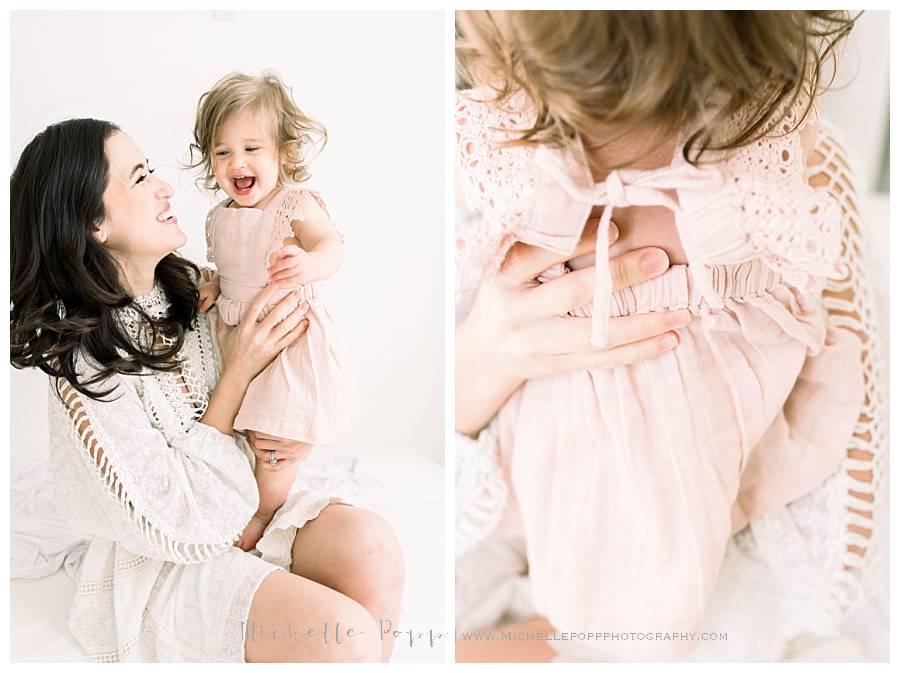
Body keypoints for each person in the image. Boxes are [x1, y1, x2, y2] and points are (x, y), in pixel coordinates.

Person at [455, 10, 884, 662]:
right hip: (516, 547)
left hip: (724, 587)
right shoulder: (489, 158)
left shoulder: (777, 172)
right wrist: (480, 358)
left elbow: (848, 520)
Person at [10, 118, 403, 662]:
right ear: (94, 222)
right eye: (141, 177)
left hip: (248, 508)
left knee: (373, 545)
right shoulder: (85, 362)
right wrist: (238, 370)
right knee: (345, 638)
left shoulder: (199, 289)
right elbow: (167, 517)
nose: (165, 187)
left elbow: (290, 373)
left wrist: (290, 433)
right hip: (164, 557)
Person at [188, 71, 359, 552]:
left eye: (251, 148)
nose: (235, 162)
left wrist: (310, 262)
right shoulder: (219, 215)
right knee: (240, 433)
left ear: (283, 153)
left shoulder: (294, 204)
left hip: (284, 341)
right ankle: (240, 500)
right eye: (222, 152)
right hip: (237, 335)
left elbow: (332, 246)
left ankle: (265, 512)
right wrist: (216, 283)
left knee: (273, 443)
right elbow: (232, 265)